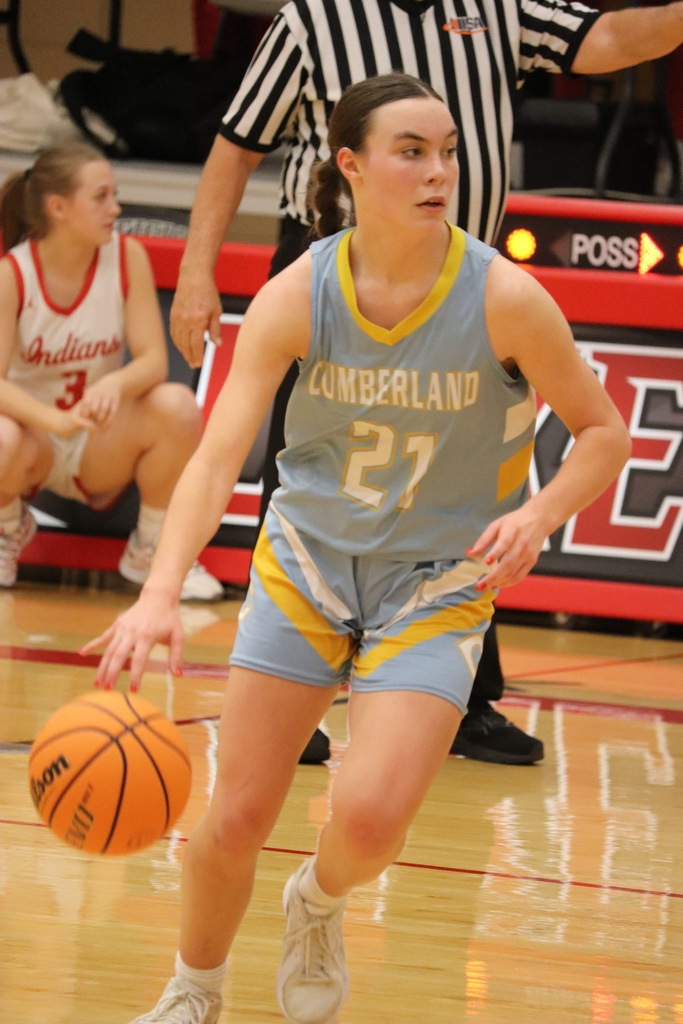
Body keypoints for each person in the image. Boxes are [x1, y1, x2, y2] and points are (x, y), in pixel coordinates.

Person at [84, 72, 631, 1024]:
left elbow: (603, 434)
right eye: (411, 151)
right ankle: (193, 991)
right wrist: (159, 590)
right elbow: (217, 458)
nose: (437, 171)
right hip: (306, 567)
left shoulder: (504, 296)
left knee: (372, 822)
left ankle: (319, 900)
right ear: (349, 165)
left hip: (435, 585)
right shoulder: (300, 293)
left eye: (448, 151)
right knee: (236, 821)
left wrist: (536, 514)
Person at [169, 0, 682, 765]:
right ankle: (288, 684)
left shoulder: (498, 7)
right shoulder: (312, 19)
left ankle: (463, 697)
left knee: (462, 483)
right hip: (332, 278)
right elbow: (235, 147)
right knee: (303, 482)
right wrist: (193, 272)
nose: (435, 165)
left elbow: (608, 39)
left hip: (460, 289)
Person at [0, 143, 224, 601]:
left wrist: (114, 382)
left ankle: (150, 548)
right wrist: (55, 421)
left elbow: (153, 362)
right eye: (100, 197)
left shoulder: (127, 257)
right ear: (58, 207)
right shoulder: (12, 274)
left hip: (96, 443)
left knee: (176, 406)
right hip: (31, 443)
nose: (115, 208)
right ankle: (7, 528)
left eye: (114, 194)